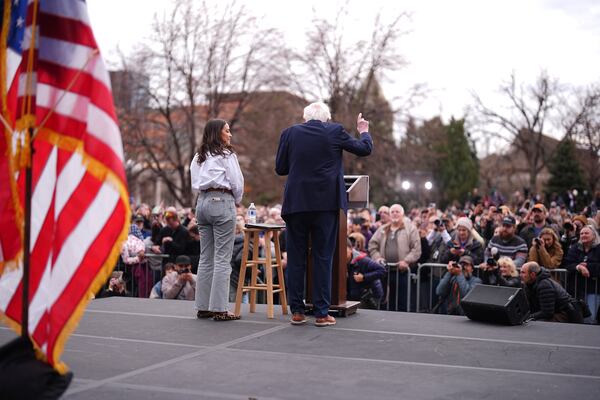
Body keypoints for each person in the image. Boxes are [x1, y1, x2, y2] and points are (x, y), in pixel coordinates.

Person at [275, 102, 372, 327]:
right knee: (322, 257)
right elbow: (364, 149)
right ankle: (321, 313)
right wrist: (364, 131)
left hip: (296, 203)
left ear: (305, 117)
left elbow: (280, 168)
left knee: (297, 258)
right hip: (325, 205)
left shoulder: (289, 133)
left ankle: (297, 312)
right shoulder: (335, 131)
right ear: (326, 118)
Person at [191, 119, 244, 321]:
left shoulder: (198, 156)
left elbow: (195, 182)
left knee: (206, 257)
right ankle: (220, 308)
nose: (230, 135)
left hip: (202, 202)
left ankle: (203, 306)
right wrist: (235, 200)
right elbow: (236, 181)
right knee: (222, 258)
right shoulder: (226, 154)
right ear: (218, 133)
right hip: (221, 200)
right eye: (227, 131)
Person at [368, 203, 421, 311]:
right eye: (392, 212)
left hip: (402, 271)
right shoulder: (383, 229)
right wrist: (377, 258)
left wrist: (406, 261)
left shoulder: (410, 229)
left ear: (402, 214)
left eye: (397, 212)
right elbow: (372, 244)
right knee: (385, 300)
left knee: (402, 301)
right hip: (384, 270)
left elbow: (416, 249)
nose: (395, 214)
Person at [562, 225, 600, 323]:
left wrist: (588, 266)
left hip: (594, 290)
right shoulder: (575, 248)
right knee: (577, 318)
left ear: (594, 235)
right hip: (576, 289)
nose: (583, 235)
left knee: (590, 318)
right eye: (582, 233)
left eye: (586, 233)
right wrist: (579, 267)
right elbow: (568, 264)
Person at [346, 239, 386, 309]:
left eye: (344, 251)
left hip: (369, 296)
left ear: (351, 249)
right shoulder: (340, 262)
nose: (341, 254)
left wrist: (364, 277)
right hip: (355, 297)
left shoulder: (364, 261)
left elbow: (382, 270)